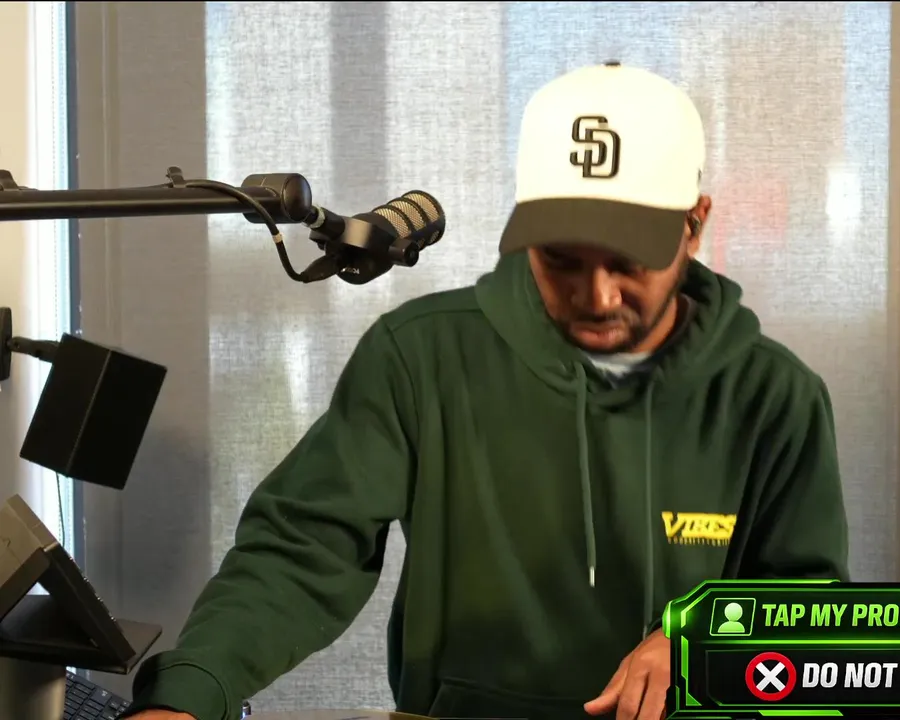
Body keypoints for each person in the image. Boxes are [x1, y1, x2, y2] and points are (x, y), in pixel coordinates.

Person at [126, 62, 849, 720]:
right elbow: (302, 551)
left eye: (630, 261)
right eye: (561, 259)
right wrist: (190, 694)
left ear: (694, 226)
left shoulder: (773, 396)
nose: (597, 296)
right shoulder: (419, 358)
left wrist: (712, 642)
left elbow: (813, 611)